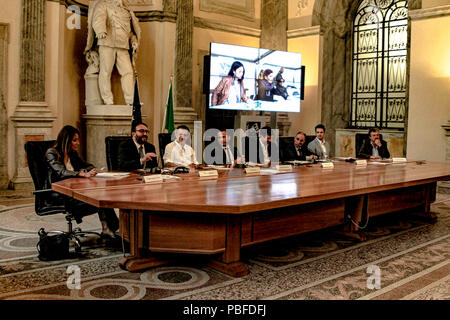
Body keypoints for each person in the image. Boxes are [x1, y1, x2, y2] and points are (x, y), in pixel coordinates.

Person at [45, 125, 119, 239]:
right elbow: (61, 172)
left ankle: (109, 228)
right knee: (98, 200)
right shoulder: (52, 153)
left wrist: (91, 169)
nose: (78, 143)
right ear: (66, 140)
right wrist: (79, 173)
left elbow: (86, 165)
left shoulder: (72, 153)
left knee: (102, 196)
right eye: (75, 140)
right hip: (59, 193)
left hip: (74, 188)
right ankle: (108, 229)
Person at [86, 0, 141, 105]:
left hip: (123, 46)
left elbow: (129, 32)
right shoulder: (103, 5)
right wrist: (100, 30)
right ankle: (107, 100)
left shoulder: (126, 11)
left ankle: (130, 101)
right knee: (106, 72)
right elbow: (98, 18)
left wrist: (133, 41)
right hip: (107, 42)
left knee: (128, 72)